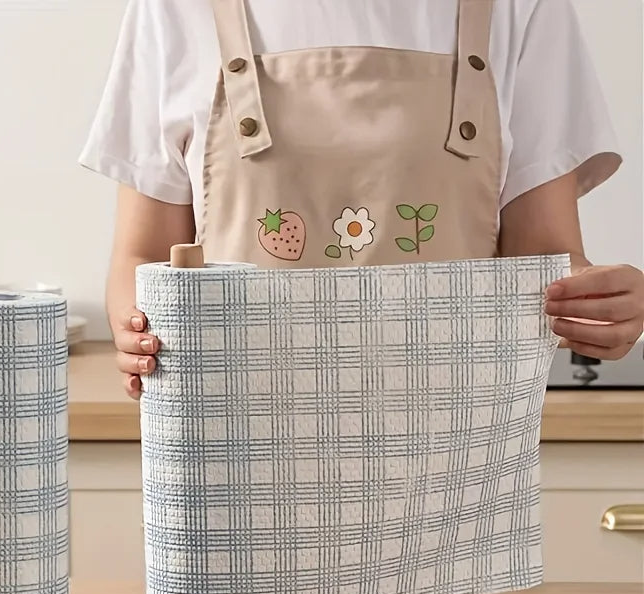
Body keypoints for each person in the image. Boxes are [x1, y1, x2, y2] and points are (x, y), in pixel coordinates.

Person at [80, 0, 644, 399]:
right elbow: (143, 255)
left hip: (456, 467)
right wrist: (139, 331)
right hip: (231, 459)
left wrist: (602, 305)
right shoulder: (174, 7)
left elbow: (544, 259)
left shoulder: (523, 6)